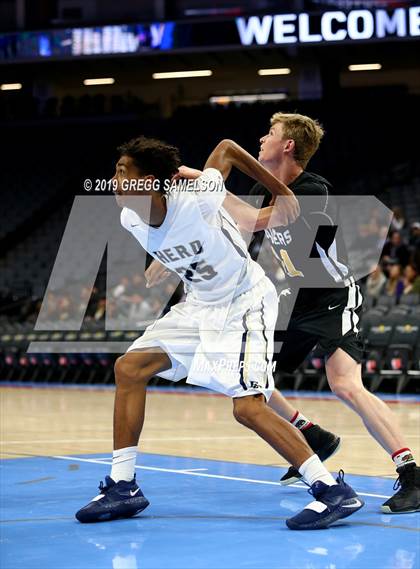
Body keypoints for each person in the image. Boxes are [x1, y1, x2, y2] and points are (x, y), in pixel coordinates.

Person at [75, 136, 364, 529]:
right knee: (129, 368)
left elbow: (227, 148)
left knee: (247, 407)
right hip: (199, 306)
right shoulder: (129, 218)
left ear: (152, 182)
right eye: (115, 172)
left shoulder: (198, 198)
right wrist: (168, 266)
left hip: (244, 302)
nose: (114, 180)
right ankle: (123, 487)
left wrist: (281, 193)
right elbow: (189, 249)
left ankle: (332, 491)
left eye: (124, 173)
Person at [249, 112, 419, 514]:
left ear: (288, 146)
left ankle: (412, 474)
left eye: (270, 134)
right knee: (249, 377)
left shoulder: (312, 189)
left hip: (333, 296)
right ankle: (313, 434)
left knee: (345, 384)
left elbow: (249, 221)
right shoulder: (263, 189)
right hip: (296, 299)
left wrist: (209, 183)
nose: (261, 138)